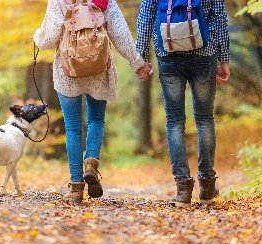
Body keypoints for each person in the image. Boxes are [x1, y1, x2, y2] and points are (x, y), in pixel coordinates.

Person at [34, 0, 151, 203]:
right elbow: (120, 33)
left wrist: (38, 36)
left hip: (68, 69)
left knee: (72, 127)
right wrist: (138, 63)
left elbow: (49, 38)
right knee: (96, 119)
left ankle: (76, 187)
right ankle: (91, 164)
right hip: (99, 67)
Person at [136, 0, 231, 207]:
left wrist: (141, 56)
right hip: (204, 54)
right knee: (205, 119)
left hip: (168, 55)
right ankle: (206, 187)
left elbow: (146, 15)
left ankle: (183, 190)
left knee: (174, 122)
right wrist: (224, 58)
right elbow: (220, 16)